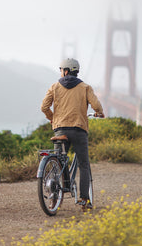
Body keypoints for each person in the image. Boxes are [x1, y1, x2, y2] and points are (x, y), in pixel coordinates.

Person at [41, 58, 105, 211]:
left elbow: (44, 107)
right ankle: (84, 199)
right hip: (79, 129)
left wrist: (53, 119)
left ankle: (54, 200)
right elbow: (96, 105)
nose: (61, 72)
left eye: (61, 69)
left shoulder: (55, 86)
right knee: (84, 164)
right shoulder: (85, 87)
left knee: (58, 163)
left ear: (66, 71)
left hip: (60, 130)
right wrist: (99, 112)